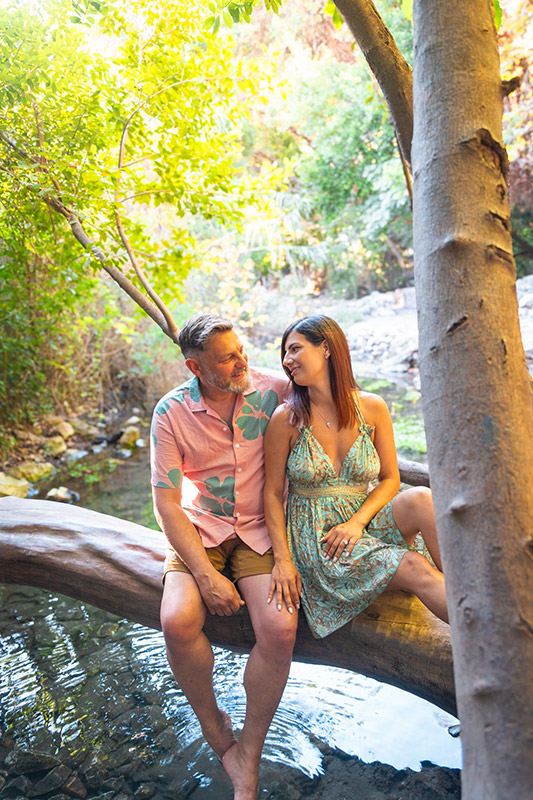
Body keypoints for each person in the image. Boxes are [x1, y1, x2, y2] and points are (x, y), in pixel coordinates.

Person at [150, 313, 298, 800]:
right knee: (176, 621)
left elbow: (338, 419)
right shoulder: (170, 414)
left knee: (280, 629)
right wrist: (205, 576)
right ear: (196, 367)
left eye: (241, 350)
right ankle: (217, 732)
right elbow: (167, 502)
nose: (243, 361)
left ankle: (247, 756)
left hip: (261, 528)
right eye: (228, 357)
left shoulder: (275, 392)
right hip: (201, 531)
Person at [263, 315, 448, 638]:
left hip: (363, 521)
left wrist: (358, 522)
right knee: (417, 567)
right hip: (322, 542)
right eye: (285, 353)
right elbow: (272, 494)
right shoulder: (287, 419)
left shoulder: (372, 407)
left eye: (295, 349)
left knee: (422, 498)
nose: (286, 360)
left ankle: (467, 595)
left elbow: (390, 479)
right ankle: (498, 642)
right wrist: (283, 561)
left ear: (326, 349)